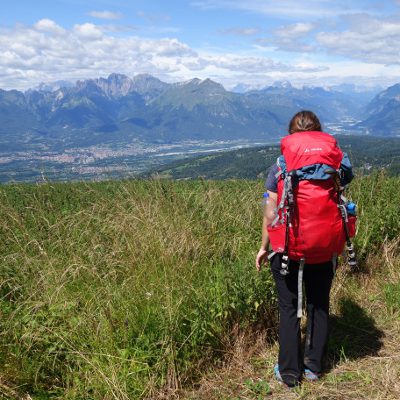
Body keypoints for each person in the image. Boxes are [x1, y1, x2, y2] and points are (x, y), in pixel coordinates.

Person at [255, 110, 353, 388]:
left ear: (291, 134)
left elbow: (270, 212)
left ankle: (288, 372)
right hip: (324, 247)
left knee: (288, 308)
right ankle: (313, 367)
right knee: (319, 303)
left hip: (288, 247)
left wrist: (264, 247)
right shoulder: (334, 163)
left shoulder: (280, 165)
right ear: (318, 132)